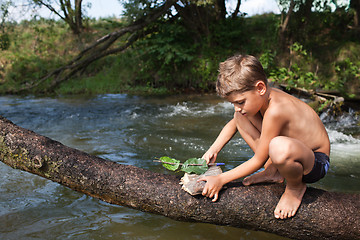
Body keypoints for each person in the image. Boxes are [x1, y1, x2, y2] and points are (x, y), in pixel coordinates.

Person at [198, 54, 330, 219]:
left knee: (278, 147)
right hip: (290, 152)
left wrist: (220, 179)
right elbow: (234, 124)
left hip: (315, 162)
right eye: (233, 103)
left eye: (240, 102)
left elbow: (258, 160)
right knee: (240, 117)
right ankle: (273, 171)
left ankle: (295, 188)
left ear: (260, 88)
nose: (237, 107)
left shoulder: (276, 109)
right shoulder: (262, 98)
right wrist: (213, 149)